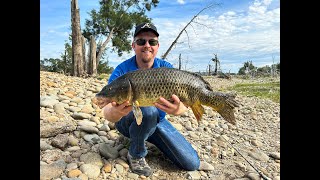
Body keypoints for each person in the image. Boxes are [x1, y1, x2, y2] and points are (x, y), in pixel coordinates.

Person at [102, 22, 200, 177]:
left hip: (157, 122)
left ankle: (144, 136)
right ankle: (136, 153)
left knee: (191, 163)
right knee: (146, 110)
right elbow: (107, 112)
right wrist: (115, 111)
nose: (147, 45)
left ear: (157, 46)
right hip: (128, 122)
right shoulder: (122, 71)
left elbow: (183, 103)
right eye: (141, 41)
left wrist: (178, 109)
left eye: (152, 42)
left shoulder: (166, 68)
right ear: (133, 45)